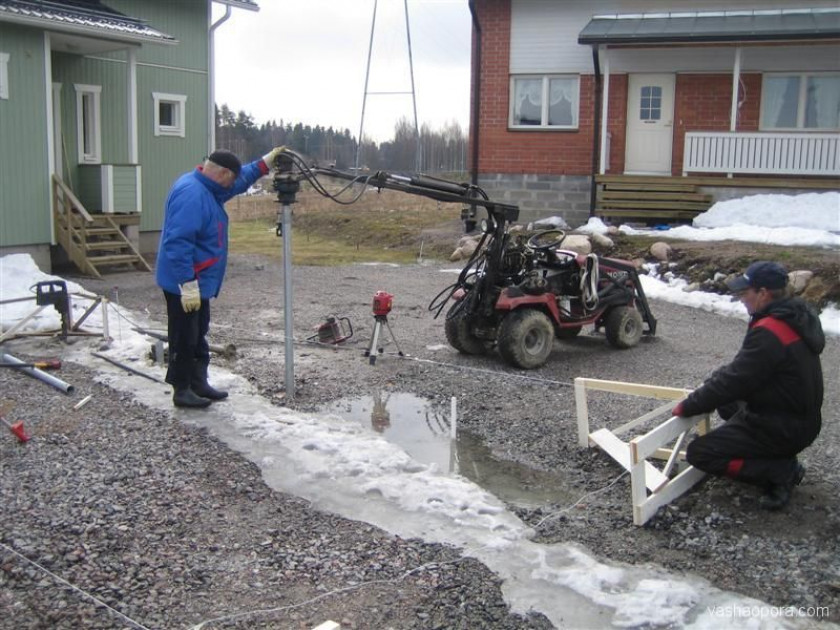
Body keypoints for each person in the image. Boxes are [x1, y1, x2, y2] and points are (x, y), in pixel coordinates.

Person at [672, 261, 825, 510]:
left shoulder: (770, 330)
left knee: (700, 453)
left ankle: (780, 470)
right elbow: (747, 369)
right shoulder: (794, 315)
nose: (742, 299)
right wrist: (715, 380)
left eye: (745, 293)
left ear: (763, 294)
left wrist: (689, 405)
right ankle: (770, 454)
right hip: (796, 417)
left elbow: (736, 380)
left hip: (785, 427)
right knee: (726, 404)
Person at [156, 147, 285, 408]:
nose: (233, 185)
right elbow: (178, 243)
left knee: (198, 331)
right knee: (183, 335)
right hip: (185, 282)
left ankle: (198, 381)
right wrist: (187, 284)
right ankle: (181, 389)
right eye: (230, 178)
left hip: (198, 280)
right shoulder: (192, 195)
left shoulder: (208, 187)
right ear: (223, 173)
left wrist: (264, 163)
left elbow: (238, 181)